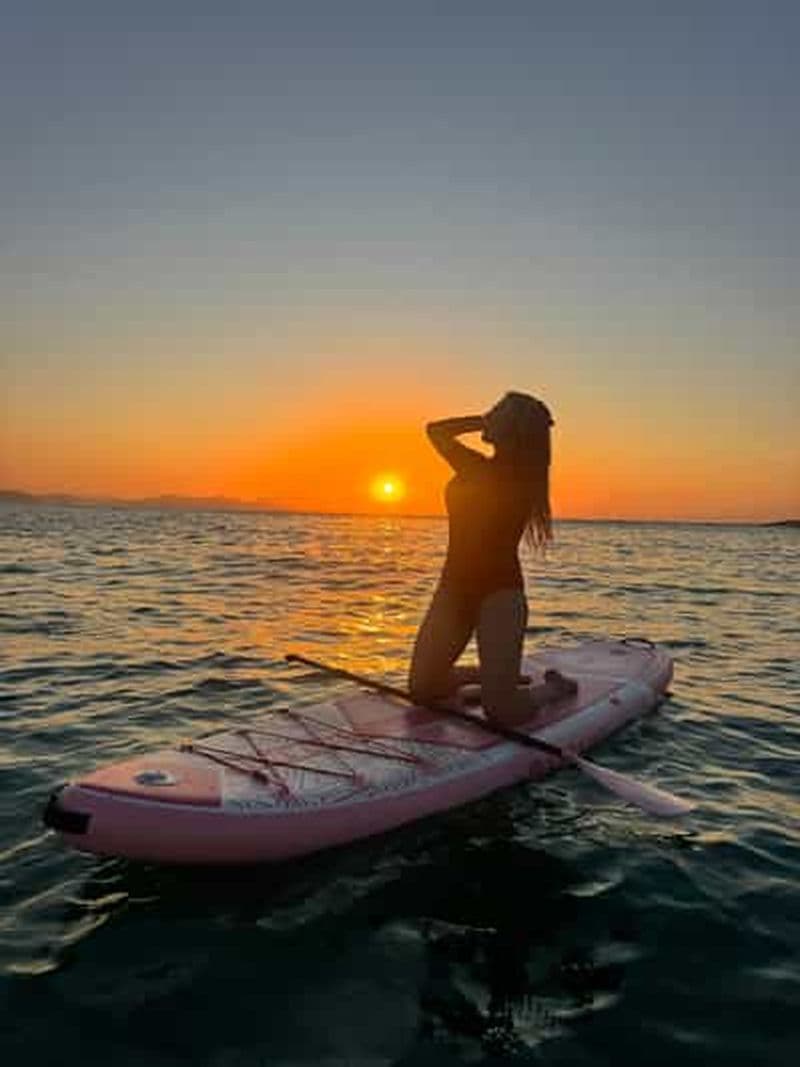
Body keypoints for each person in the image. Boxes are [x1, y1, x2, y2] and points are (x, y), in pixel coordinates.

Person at [408, 391, 577, 727]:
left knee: (502, 712)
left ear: (512, 428)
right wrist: (492, 421)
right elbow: (435, 431)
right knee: (423, 689)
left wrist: (481, 422)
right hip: (453, 590)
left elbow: (436, 431)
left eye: (496, 412)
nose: (488, 414)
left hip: (499, 594)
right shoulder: (480, 467)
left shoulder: (509, 476)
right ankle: (492, 677)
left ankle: (553, 689)